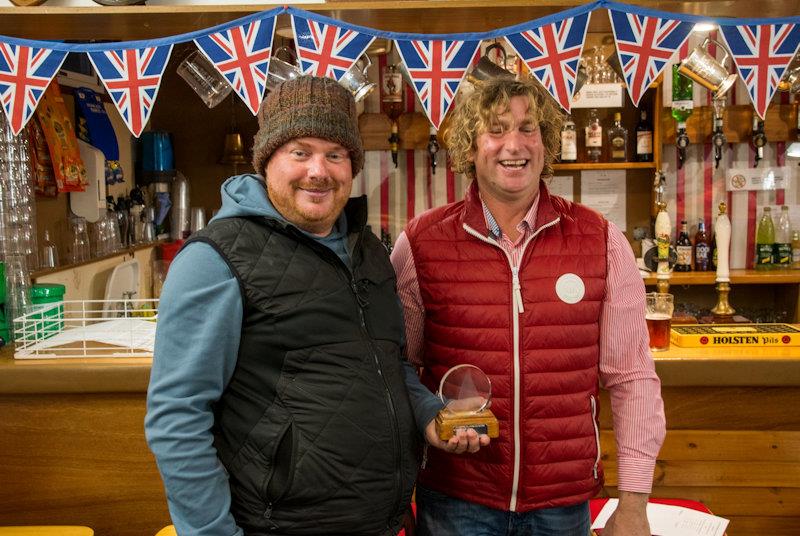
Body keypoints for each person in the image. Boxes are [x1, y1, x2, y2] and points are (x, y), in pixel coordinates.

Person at [145, 76, 425, 536]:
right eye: (300, 151)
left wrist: (430, 413)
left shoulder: (368, 248)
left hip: (385, 521)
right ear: (266, 160)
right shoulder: (214, 259)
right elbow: (178, 417)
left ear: (352, 166)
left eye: (335, 155)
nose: (319, 170)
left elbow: (387, 363)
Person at [390, 77, 666, 536]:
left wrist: (634, 504)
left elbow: (632, 376)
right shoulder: (420, 244)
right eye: (496, 129)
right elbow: (398, 371)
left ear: (547, 141)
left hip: (563, 504)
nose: (513, 145)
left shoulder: (600, 239)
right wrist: (394, 491)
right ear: (471, 145)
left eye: (528, 128)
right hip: (458, 501)